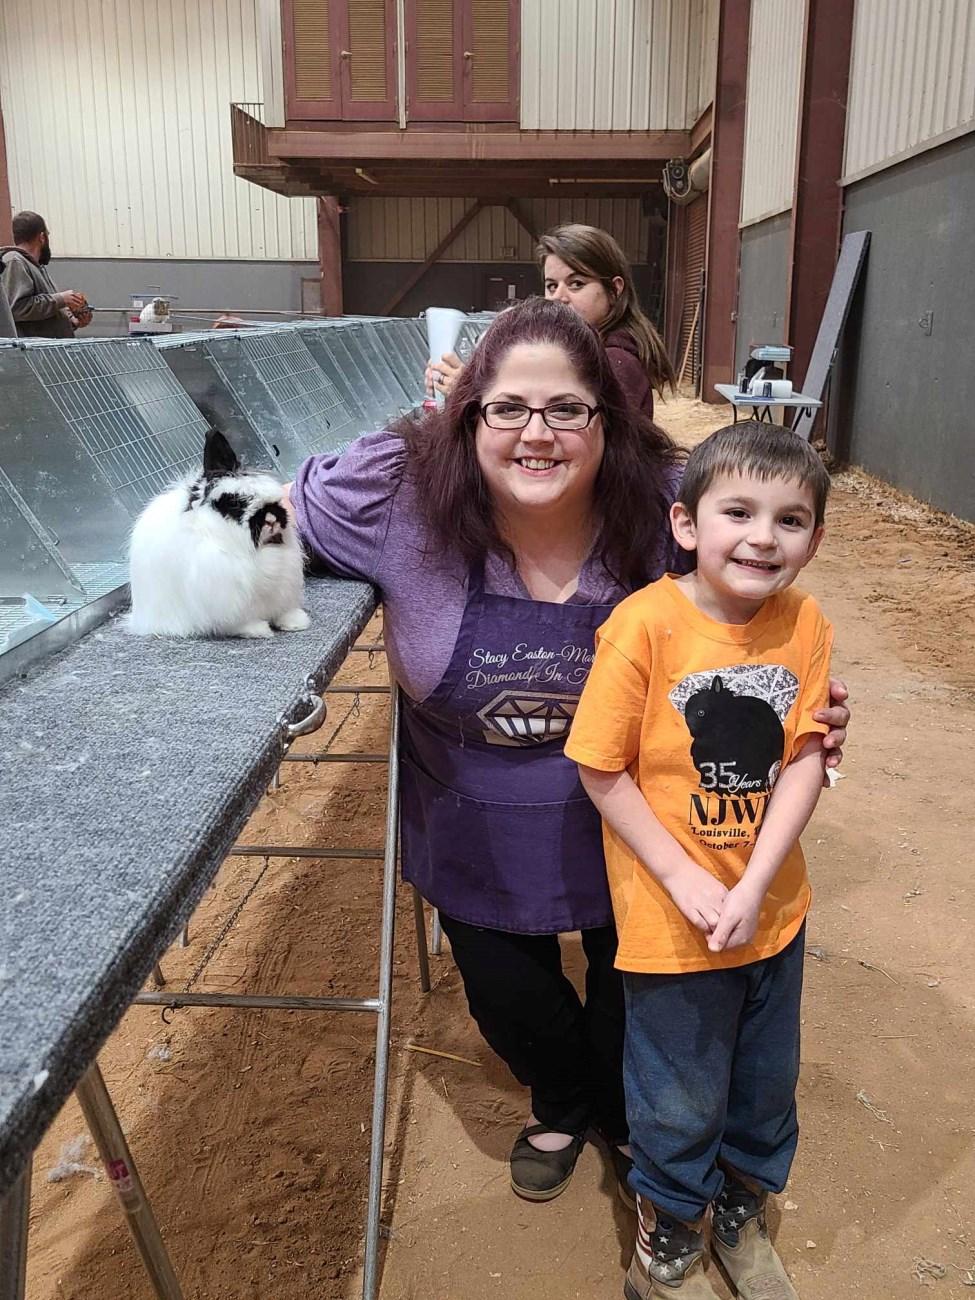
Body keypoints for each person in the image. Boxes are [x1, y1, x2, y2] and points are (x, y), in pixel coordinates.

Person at [288, 301, 849, 1210]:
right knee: (508, 997)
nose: (536, 434)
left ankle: (622, 1111)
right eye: (507, 408)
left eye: (566, 409)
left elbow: (758, 603)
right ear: (468, 414)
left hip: (644, 809)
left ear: (606, 419)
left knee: (634, 988)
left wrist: (794, 708)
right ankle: (559, 1097)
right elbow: (278, 508)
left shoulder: (665, 506)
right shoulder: (400, 499)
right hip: (470, 806)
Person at [565, 422, 835, 1299]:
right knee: (676, 1089)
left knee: (764, 1080)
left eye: (789, 519)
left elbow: (804, 758)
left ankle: (741, 1207)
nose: (763, 537)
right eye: (738, 512)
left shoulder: (804, 622)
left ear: (813, 539)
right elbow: (599, 767)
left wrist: (753, 885)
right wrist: (685, 878)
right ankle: (672, 1224)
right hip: (669, 920)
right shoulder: (642, 625)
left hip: (771, 910)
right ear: (685, 524)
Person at [426, 223, 676, 421]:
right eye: (552, 286)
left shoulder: (617, 363)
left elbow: (580, 442)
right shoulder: (581, 351)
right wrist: (459, 385)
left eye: (576, 284)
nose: (559, 298)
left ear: (614, 290)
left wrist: (467, 394)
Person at [0, 210, 91, 338]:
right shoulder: (14, 261)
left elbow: (41, 319)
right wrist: (61, 299)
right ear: (42, 237)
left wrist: (72, 321)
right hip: (32, 350)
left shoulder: (36, 267)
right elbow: (17, 308)